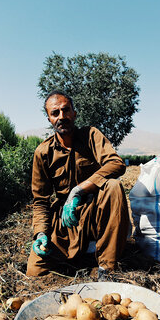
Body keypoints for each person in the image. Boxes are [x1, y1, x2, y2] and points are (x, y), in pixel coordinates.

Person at [27, 91, 130, 277]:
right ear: (49, 118)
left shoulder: (91, 136)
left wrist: (79, 190)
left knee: (113, 186)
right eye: (55, 113)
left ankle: (107, 268)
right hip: (65, 222)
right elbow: (40, 201)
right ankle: (82, 255)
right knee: (34, 270)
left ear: (74, 113)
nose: (61, 116)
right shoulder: (43, 152)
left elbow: (116, 164)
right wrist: (40, 234)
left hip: (95, 212)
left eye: (66, 110)